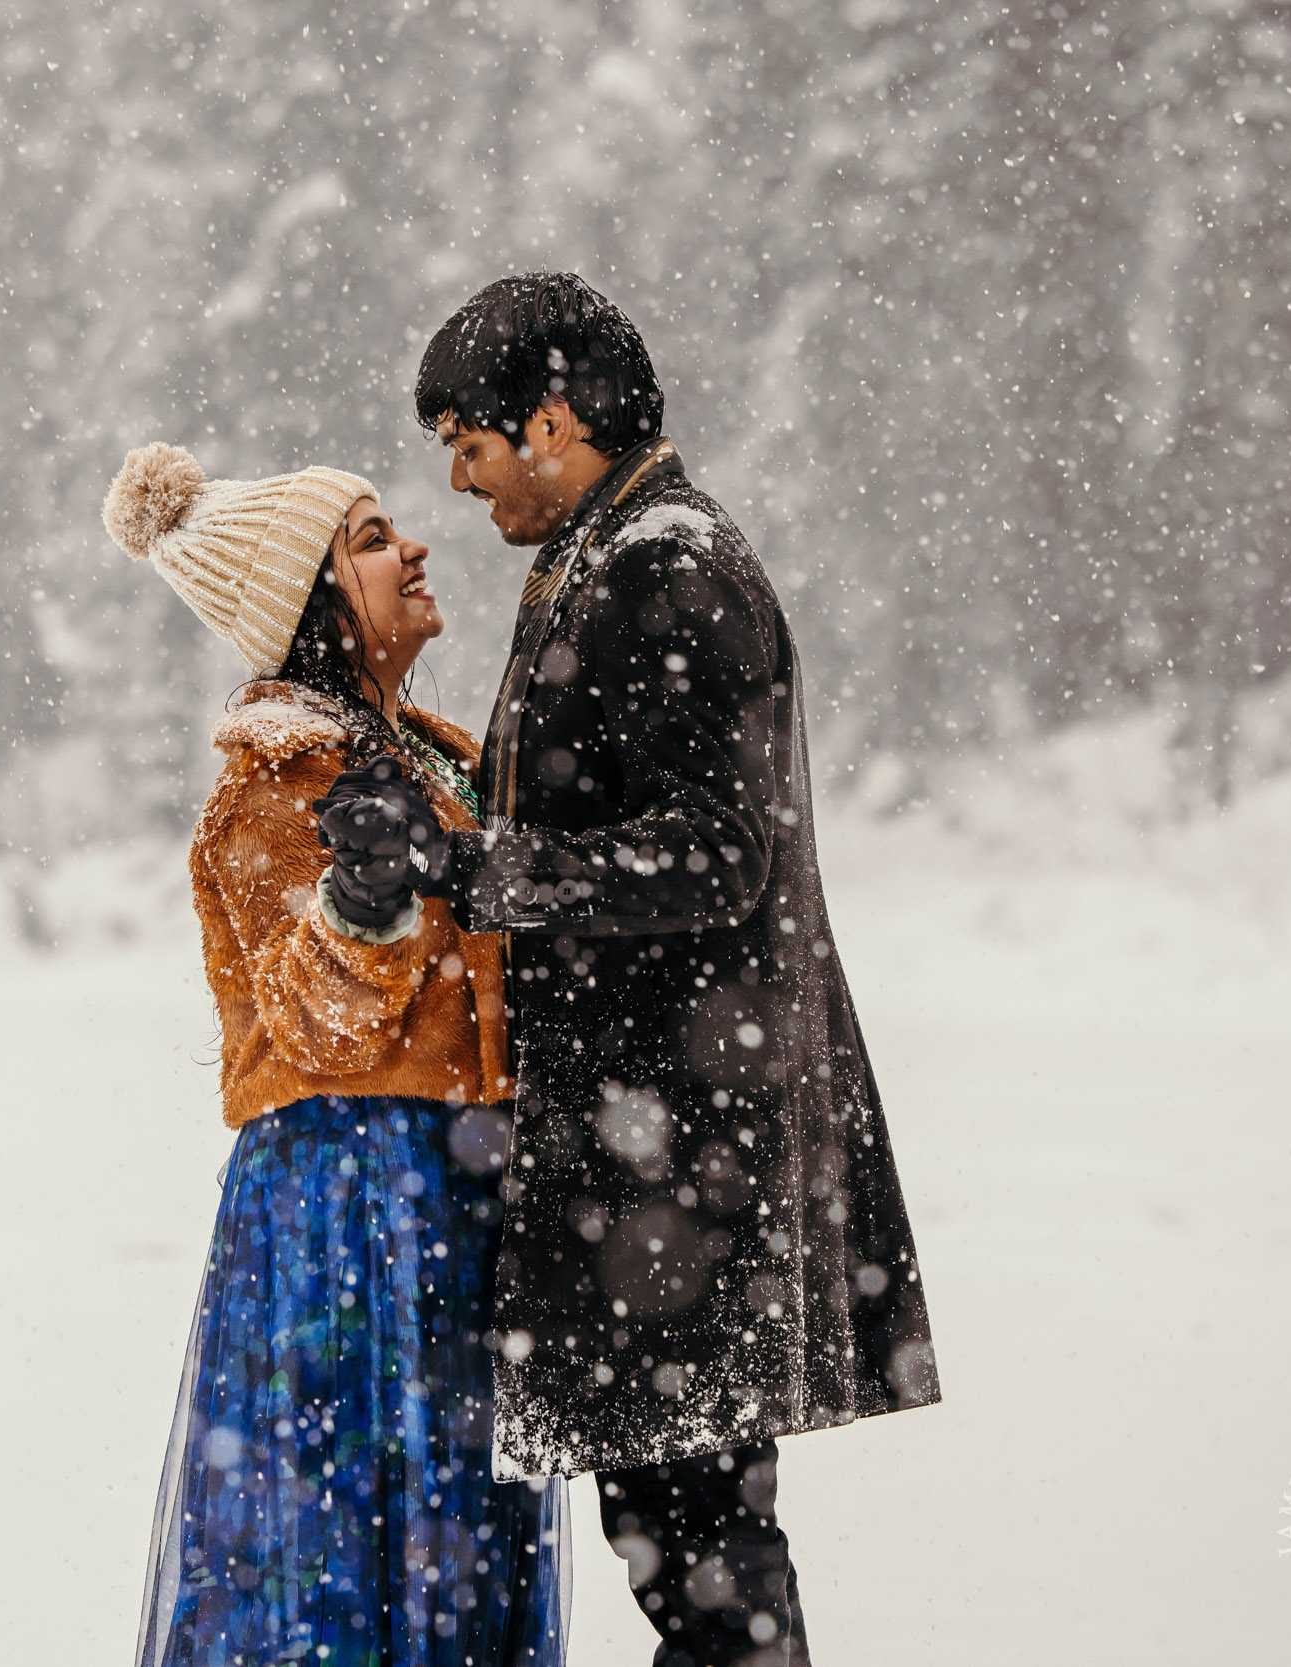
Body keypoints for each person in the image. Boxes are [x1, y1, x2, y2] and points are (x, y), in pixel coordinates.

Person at [318, 272, 945, 1666]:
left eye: (469, 451)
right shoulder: (608, 550)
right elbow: (602, 812)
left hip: (684, 1147)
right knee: (691, 1542)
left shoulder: (668, 562)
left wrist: (475, 873)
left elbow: (714, 854)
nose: (467, 490)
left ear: (550, 423)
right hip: (658, 1141)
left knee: (708, 1558)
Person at [105, 442, 570, 1667]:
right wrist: (364, 897)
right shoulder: (268, 795)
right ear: (307, 607)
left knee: (454, 1555)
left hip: (457, 1200)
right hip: (345, 1210)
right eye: (368, 539)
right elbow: (309, 1030)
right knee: (336, 1550)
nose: (410, 544)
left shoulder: (440, 755)